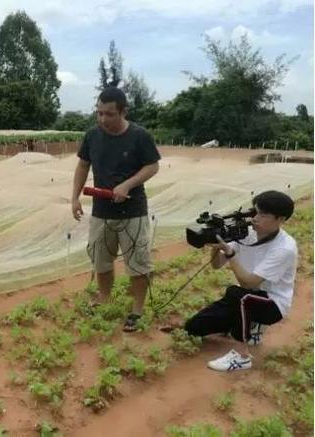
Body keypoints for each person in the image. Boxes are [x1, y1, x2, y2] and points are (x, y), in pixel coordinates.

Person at [71, 87, 161, 332]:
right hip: (102, 212)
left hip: (133, 213)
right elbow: (82, 166)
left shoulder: (139, 136)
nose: (103, 119)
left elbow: (152, 166)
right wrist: (75, 198)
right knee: (101, 260)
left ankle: (137, 310)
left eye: (109, 114)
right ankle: (104, 298)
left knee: (137, 263)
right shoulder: (92, 136)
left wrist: (128, 184)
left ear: (123, 111)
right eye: (99, 113)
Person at [185, 191, 297, 371]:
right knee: (193, 327)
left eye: (263, 215)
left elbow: (249, 283)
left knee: (239, 295)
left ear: (280, 219)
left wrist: (230, 253)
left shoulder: (285, 248)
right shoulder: (246, 232)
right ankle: (248, 325)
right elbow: (216, 265)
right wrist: (216, 245)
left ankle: (242, 356)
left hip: (272, 303)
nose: (255, 218)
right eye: (255, 212)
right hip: (246, 297)